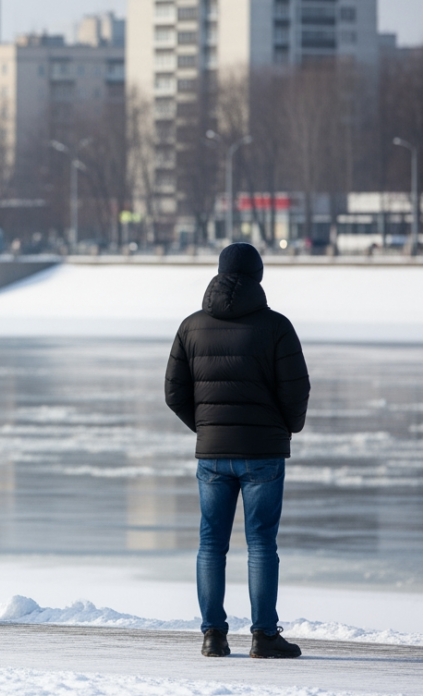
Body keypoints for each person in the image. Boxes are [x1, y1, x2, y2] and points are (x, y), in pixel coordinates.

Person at [165, 243, 309, 659]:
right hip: (263, 452)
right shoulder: (276, 326)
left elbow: (174, 391)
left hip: (212, 454)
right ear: (258, 277)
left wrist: (207, 428)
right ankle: (264, 636)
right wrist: (287, 428)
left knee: (211, 543)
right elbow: (296, 389)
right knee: (262, 543)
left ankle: (213, 635)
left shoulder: (191, 326)